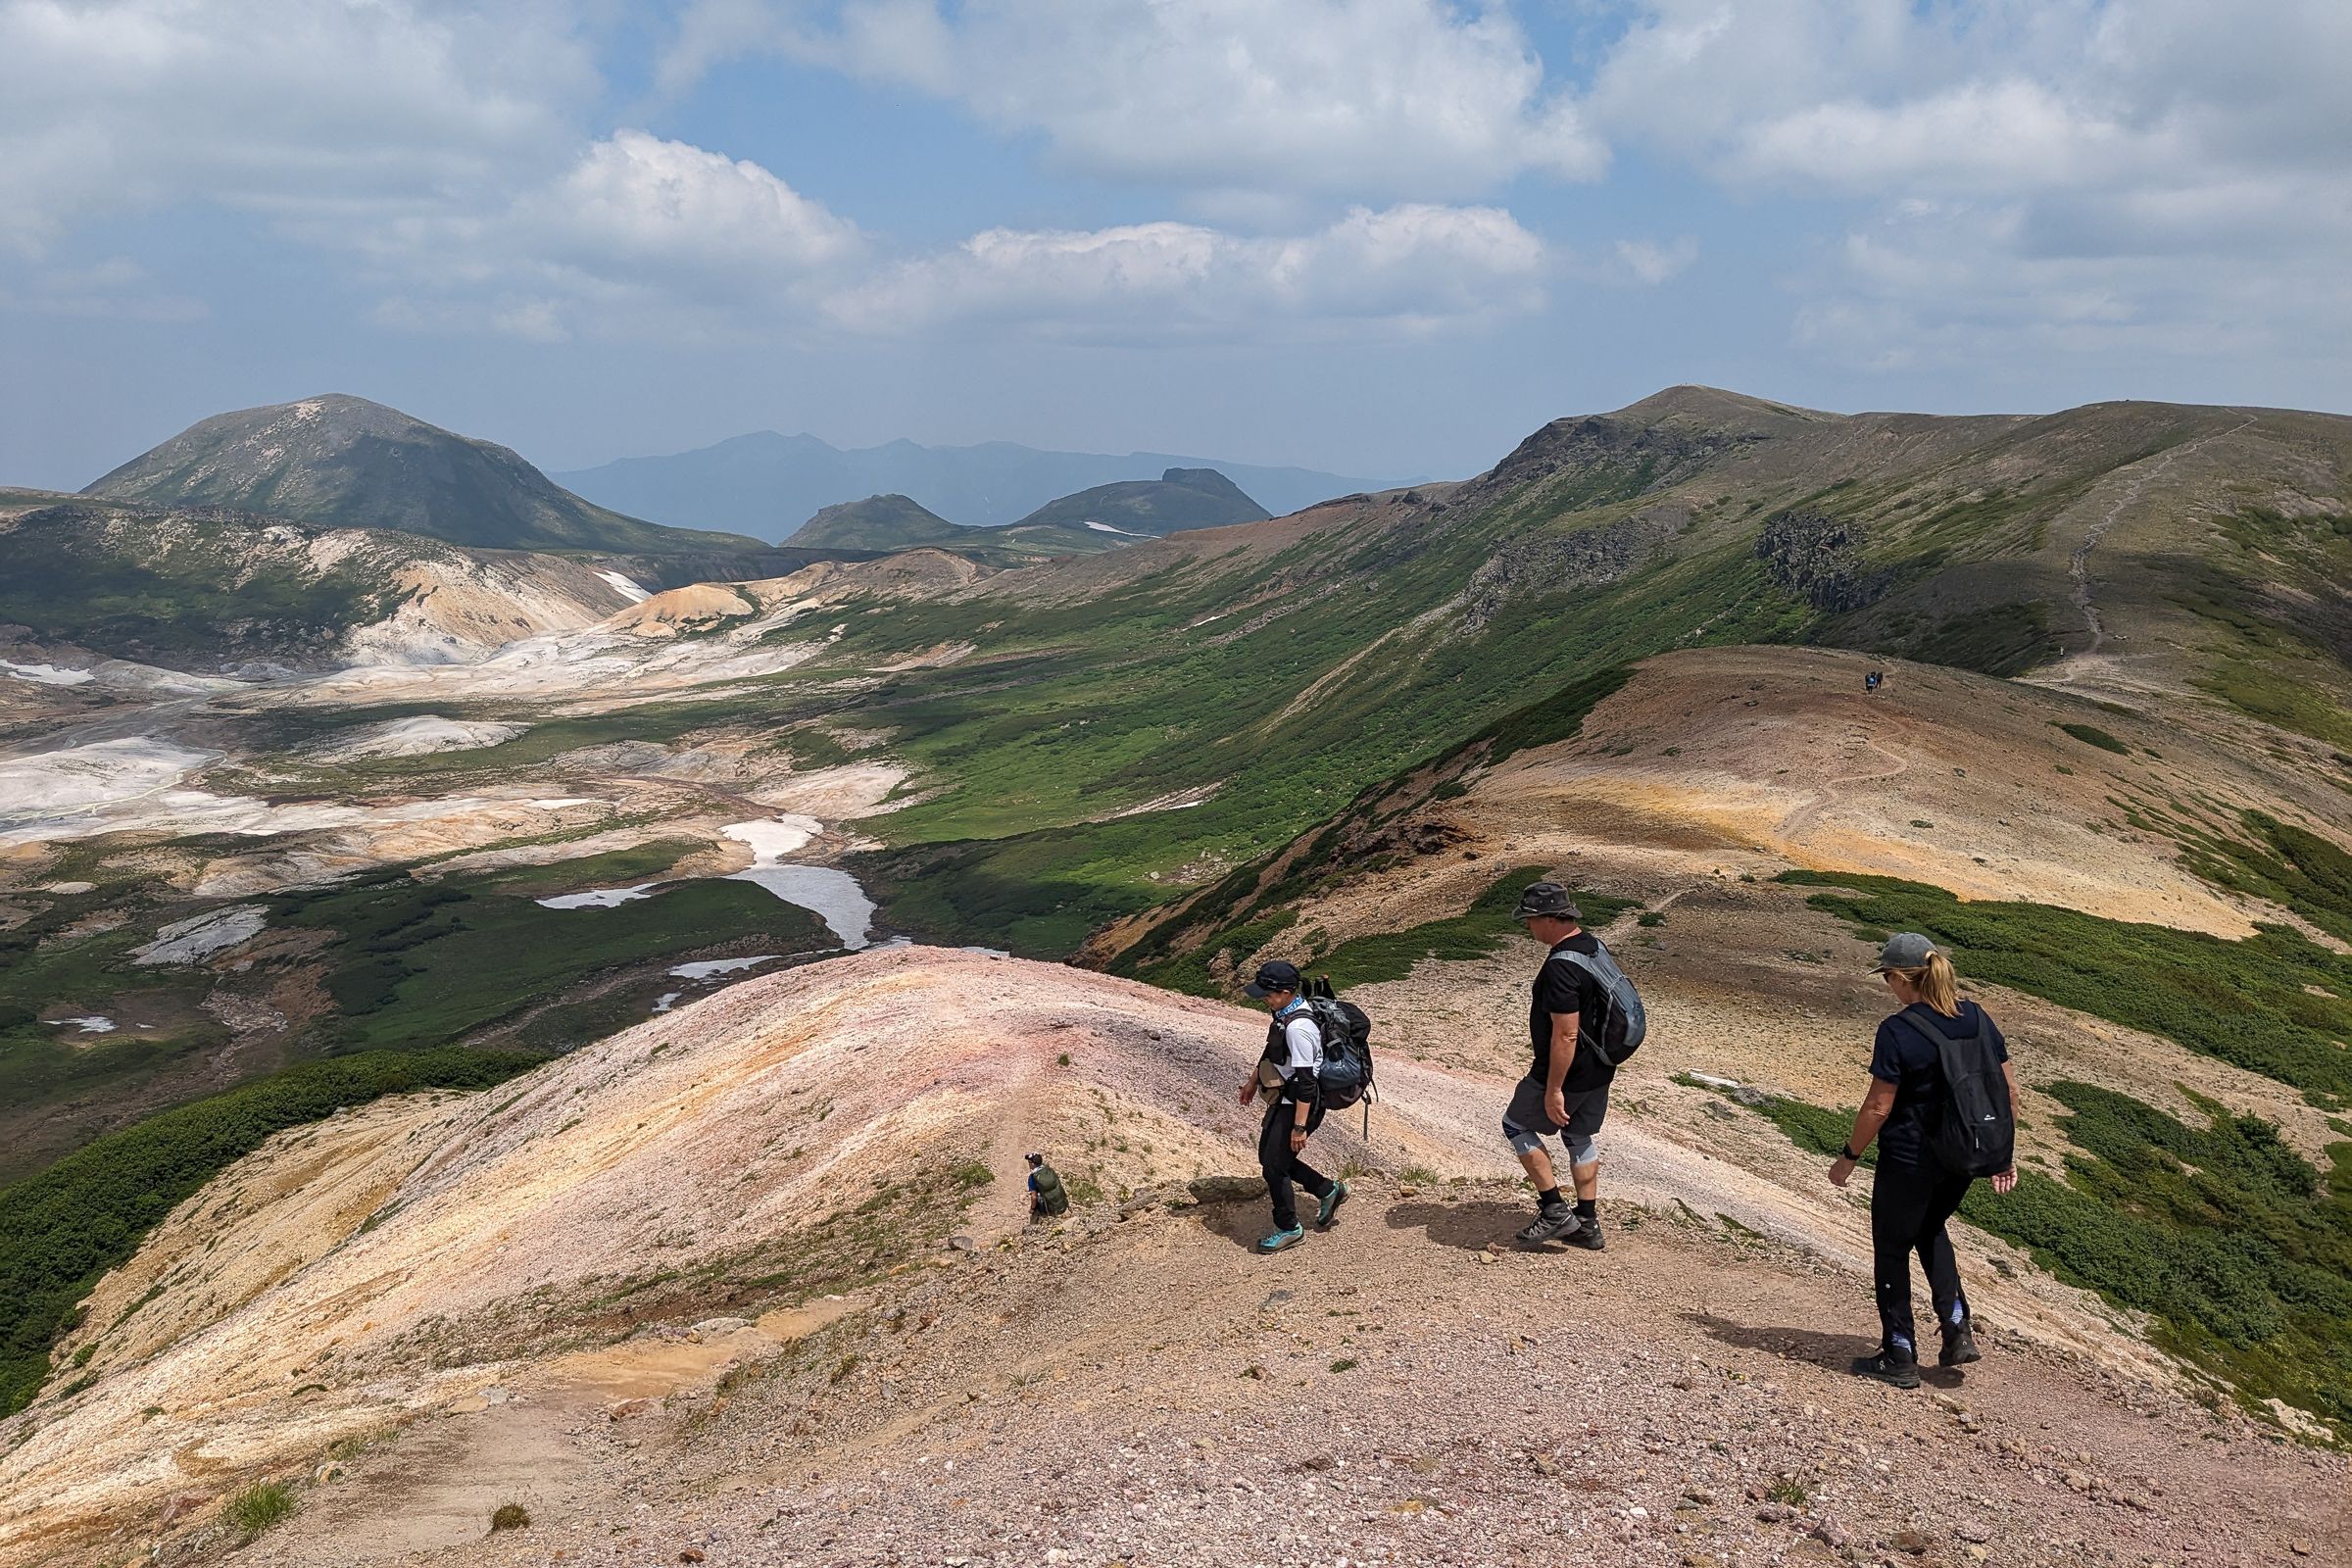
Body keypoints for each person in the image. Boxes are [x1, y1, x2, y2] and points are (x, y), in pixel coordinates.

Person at [1830, 932, 2021, 1388]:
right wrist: (2002, 1156)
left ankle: (1899, 1354)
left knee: (1893, 1247)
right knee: (1932, 1229)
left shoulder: (1898, 1030)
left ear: (1900, 978)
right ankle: (1955, 1328)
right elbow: (2009, 1092)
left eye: (1888, 979)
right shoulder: (1975, 1016)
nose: (1888, 988)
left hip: (1911, 1159)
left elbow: (1878, 1107)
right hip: (1963, 1159)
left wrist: (1849, 1156)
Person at [1503, 881, 1614, 1250]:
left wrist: (1553, 1089)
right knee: (1578, 1136)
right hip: (1600, 1065)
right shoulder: (1593, 946)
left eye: (1530, 920)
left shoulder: (1560, 967)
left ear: (1548, 918)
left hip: (1568, 1070)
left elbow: (1565, 1034)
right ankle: (1587, 1222)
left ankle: (1553, 1209)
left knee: (1515, 1124)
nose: (1527, 927)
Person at [1238, 959, 1346, 1253]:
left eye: (1268, 994)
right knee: (1270, 1158)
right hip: (1287, 1098)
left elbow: (1306, 1082)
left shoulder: (1299, 1027)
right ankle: (1327, 1189)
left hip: (1300, 1103)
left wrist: (1300, 1127)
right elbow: (1272, 1049)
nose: (1264, 999)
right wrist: (1252, 1080)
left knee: (1274, 1167)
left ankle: (1289, 1229)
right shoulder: (1283, 1014)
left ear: (1286, 992)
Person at [1026, 1152, 1068, 1220]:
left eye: (1029, 1162)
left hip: (1050, 1208)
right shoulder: (1049, 1170)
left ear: (1033, 1164)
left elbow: (1034, 1197)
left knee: (1036, 1201)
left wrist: (1032, 1209)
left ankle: (1036, 1222)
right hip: (1063, 1204)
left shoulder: (1033, 1177)